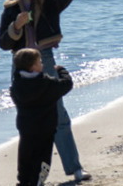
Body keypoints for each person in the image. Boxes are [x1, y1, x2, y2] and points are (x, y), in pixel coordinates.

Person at [0, 0, 90, 183]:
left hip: (45, 60)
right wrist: (15, 27)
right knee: (28, 121)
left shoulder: (48, 0)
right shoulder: (11, 7)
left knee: (58, 116)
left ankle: (75, 168)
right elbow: (2, 43)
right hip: (20, 64)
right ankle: (32, 176)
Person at [10, 48, 74, 186]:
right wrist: (61, 70)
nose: (42, 65)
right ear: (33, 67)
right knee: (42, 157)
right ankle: (36, 181)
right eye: (39, 62)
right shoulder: (47, 84)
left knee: (25, 155)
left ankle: (24, 180)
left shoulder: (16, 86)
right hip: (45, 128)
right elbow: (67, 84)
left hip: (26, 128)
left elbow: (17, 85)